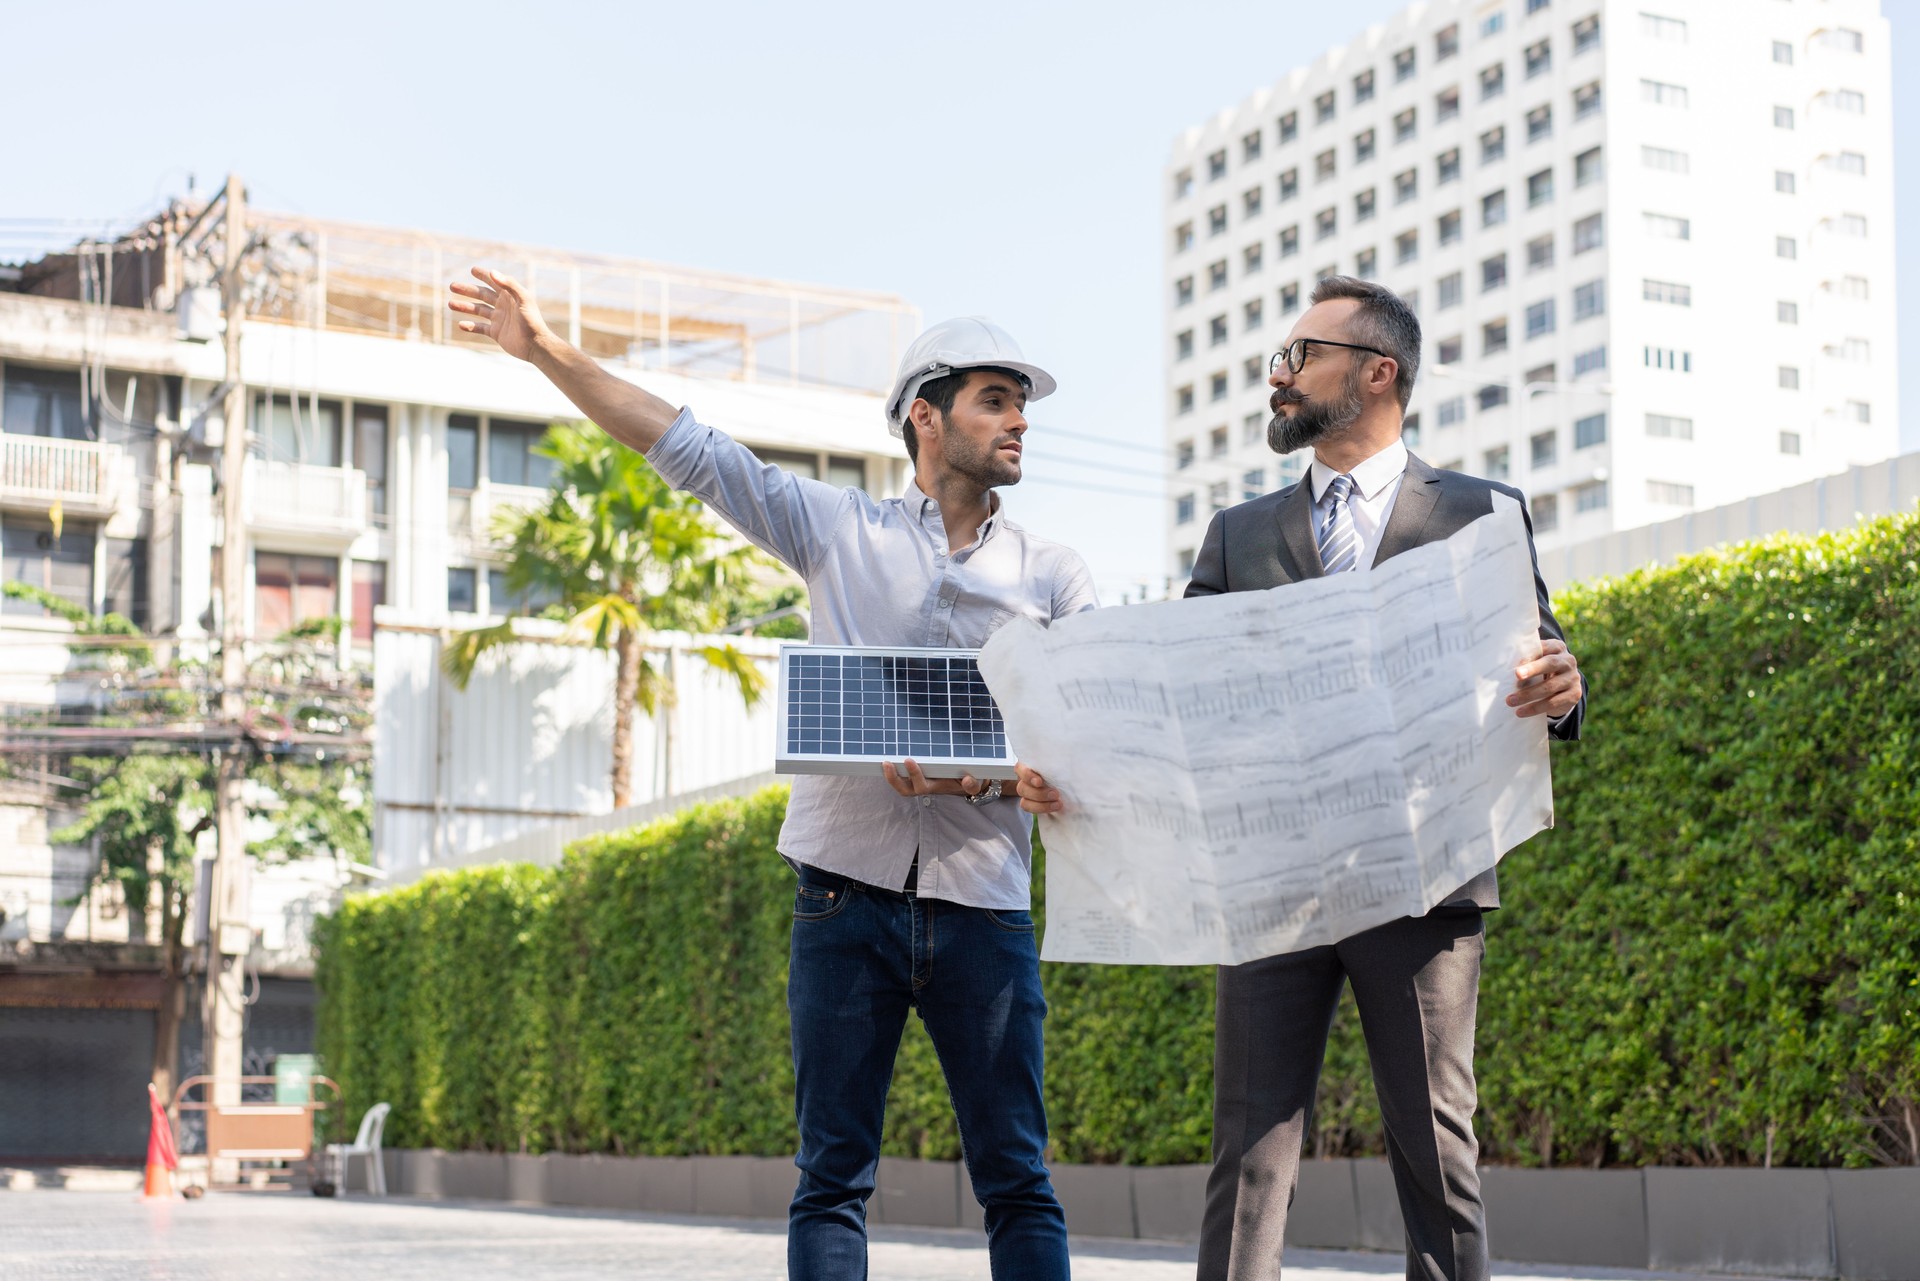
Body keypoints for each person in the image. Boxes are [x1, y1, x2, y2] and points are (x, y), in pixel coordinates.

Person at [450, 271, 1092, 1280]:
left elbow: (1083, 742)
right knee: (832, 1178)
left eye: (1021, 405)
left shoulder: (1055, 577)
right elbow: (686, 446)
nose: (1019, 423)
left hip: (984, 908)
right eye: (996, 400)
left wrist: (987, 781)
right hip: (842, 898)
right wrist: (543, 351)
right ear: (927, 415)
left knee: (1016, 1177)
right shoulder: (838, 530)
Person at [1017, 276, 1586, 1281]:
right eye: (1280, 358)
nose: (1277, 375)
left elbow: (1538, 658)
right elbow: (1174, 698)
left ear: (1379, 371)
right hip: (1271, 884)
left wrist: (1564, 686)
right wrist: (1076, 768)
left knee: (1437, 1149)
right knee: (1248, 1154)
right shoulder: (1238, 535)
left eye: (1301, 354)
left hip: (1424, 877)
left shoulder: (1483, 512)